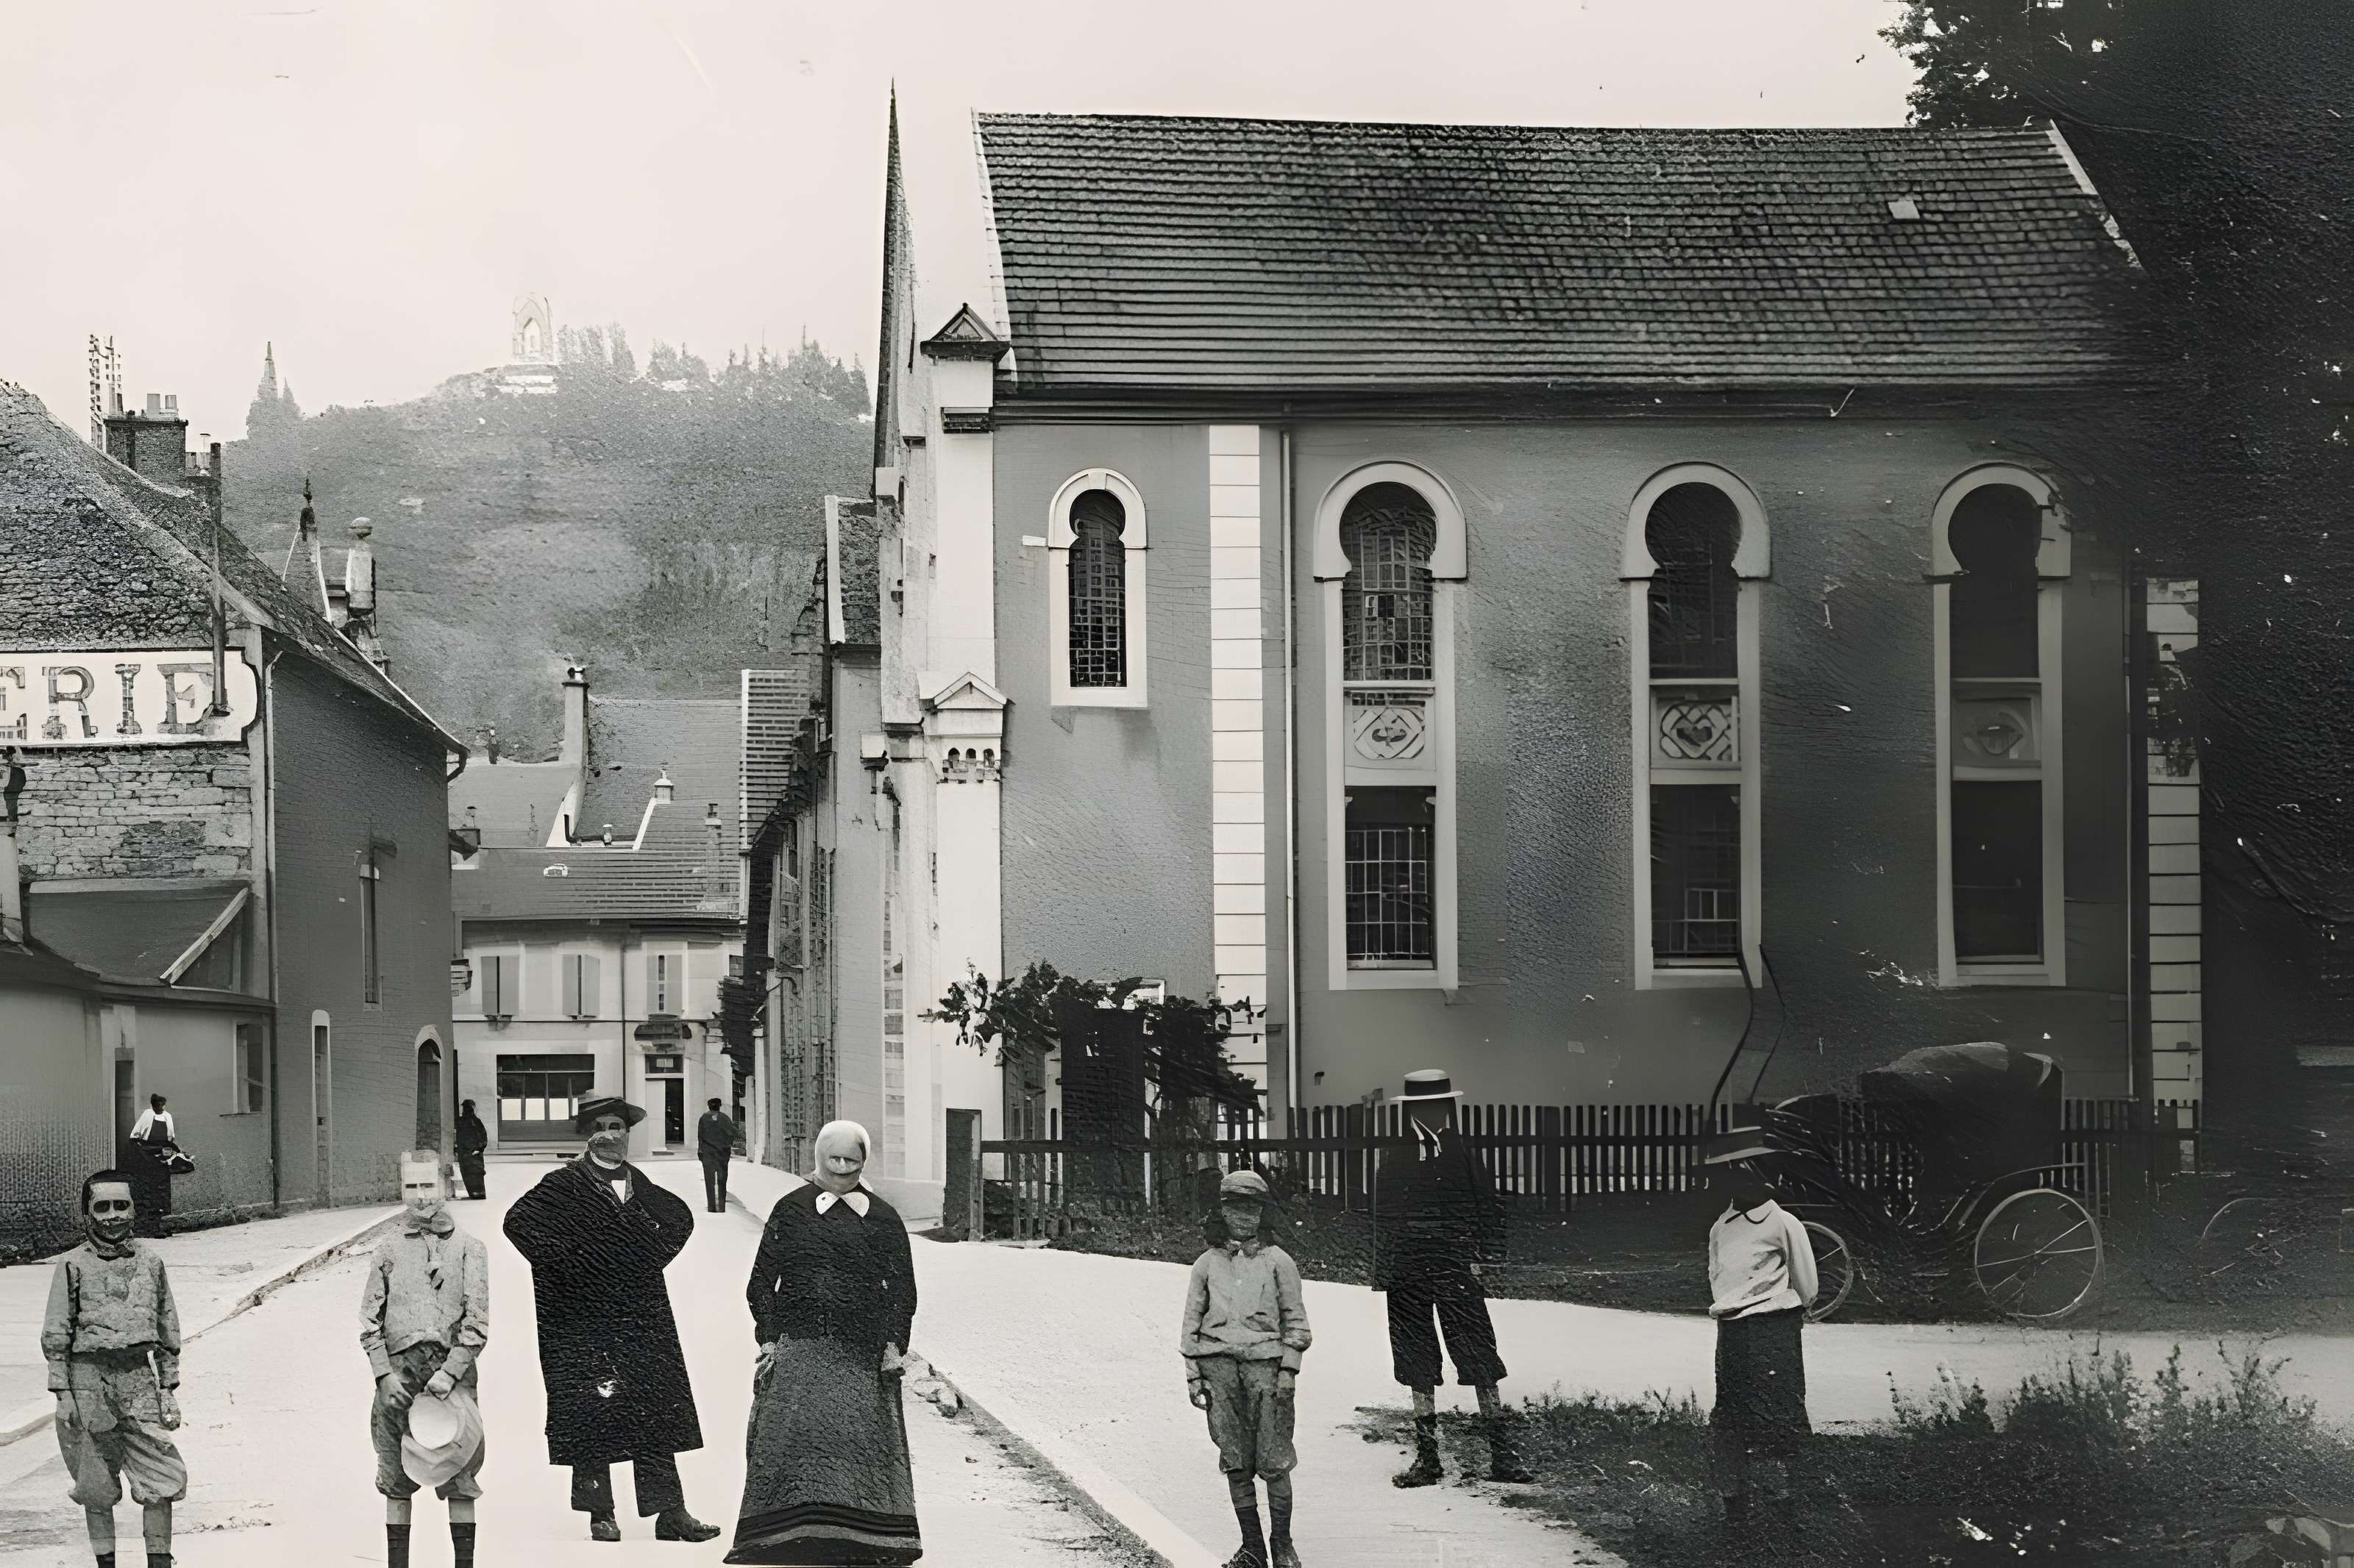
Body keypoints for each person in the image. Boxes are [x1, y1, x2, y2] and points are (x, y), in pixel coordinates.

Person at [503, 1095, 720, 1544]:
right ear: (588, 1134)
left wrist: (652, 1258)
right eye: (599, 1126)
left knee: (655, 1405)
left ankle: (670, 1513)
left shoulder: (639, 1184)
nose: (608, 1134)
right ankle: (599, 1511)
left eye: (617, 1127)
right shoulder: (564, 1184)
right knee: (590, 1407)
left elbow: (679, 1220)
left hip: (641, 1315)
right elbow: (518, 1223)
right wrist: (567, 1265)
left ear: (626, 1135)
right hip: (581, 1318)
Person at [727, 1119, 921, 1565]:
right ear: (818, 1158)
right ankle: (783, 1537)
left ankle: (867, 1539)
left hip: (862, 1350)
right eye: (833, 1159)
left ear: (864, 1163)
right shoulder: (791, 1210)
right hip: (801, 1345)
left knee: (859, 1445)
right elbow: (761, 1281)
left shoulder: (883, 1217)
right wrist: (771, 1336)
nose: (842, 1168)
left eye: (852, 1161)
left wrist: (894, 1344)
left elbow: (903, 1290)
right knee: (794, 1442)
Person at [1372, 1069, 1532, 1489]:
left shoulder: (1462, 1151)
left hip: (1456, 1268)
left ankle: (1502, 1456)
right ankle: (1428, 1459)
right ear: (1414, 1109)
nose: (1439, 1112)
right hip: (1408, 1272)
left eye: (1444, 1104)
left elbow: (1486, 1204)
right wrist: (1386, 1272)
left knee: (1479, 1352)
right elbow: (1383, 1217)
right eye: (1430, 1105)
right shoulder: (1394, 1154)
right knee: (1416, 1359)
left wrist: (1484, 1257)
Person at [43, 1171, 185, 1568]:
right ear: (88, 1212)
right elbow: (57, 1333)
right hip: (87, 1383)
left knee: (161, 1475)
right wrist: (64, 1396)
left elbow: (166, 1324)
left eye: (120, 1206)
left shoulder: (152, 1262)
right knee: (96, 1486)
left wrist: (168, 1386)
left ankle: (160, 1562)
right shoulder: (71, 1265)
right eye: (102, 1207)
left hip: (139, 1380)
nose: (112, 1216)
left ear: (133, 1209)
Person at [361, 1152, 489, 1568]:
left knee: (459, 1468)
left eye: (428, 1185)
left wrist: (451, 1373)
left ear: (446, 1186)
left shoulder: (470, 1248)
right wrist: (384, 1376)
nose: (421, 1196)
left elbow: (477, 1319)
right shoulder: (387, 1250)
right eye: (411, 1187)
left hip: (452, 1378)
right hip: (398, 1378)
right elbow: (369, 1321)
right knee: (396, 1473)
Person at [1181, 1169, 1312, 1568]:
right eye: (1234, 1207)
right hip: (1220, 1374)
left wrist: (1288, 1371)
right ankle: (1252, 1548)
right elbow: (1190, 1325)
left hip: (1267, 1374)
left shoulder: (1278, 1262)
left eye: (1251, 1207)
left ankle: (1283, 1546)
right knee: (1235, 1461)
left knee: (1273, 1461)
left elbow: (1297, 1324)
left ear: (1263, 1212)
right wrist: (1194, 1375)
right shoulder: (1205, 1265)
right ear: (1221, 1211)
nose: (1242, 1216)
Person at [1702, 1130, 1819, 1527]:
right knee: (1733, 1413)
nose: (1738, 1184)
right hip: (1733, 1333)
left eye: (1748, 1174)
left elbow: (1806, 1285)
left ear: (1764, 1178)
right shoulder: (1721, 1226)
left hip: (1772, 1329)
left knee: (1775, 1412)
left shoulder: (1784, 1223)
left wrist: (1777, 1311)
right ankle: (1735, 1501)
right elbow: (1719, 1278)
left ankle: (1782, 1500)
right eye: (1728, 1176)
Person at [124, 1097, 177, 1239]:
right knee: (149, 1194)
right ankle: (149, 1229)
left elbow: (170, 1140)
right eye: (157, 1104)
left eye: (162, 1104)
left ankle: (164, 1226)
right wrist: (146, 1157)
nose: (160, 1107)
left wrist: (171, 1154)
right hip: (146, 1161)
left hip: (162, 1162)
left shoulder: (168, 1117)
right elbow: (135, 1141)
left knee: (163, 1195)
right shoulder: (147, 1116)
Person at [698, 1097, 738, 1214]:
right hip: (721, 1155)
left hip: (709, 1155)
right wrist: (727, 1150)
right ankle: (721, 1207)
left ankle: (712, 1207)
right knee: (722, 1181)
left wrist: (701, 1153)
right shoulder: (725, 1119)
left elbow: (700, 1137)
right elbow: (731, 1136)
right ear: (719, 1106)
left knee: (710, 1182)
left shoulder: (704, 1118)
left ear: (709, 1106)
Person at [454, 1101, 490, 1202]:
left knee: (474, 1173)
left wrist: (478, 1149)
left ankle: (477, 1194)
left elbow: (483, 1138)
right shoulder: (464, 1121)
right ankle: (475, 1194)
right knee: (470, 1173)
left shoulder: (474, 1122)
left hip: (471, 1153)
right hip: (467, 1153)